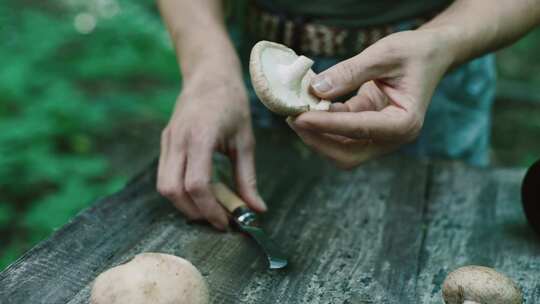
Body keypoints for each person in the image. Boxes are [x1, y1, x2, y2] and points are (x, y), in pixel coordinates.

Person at [155, 0, 540, 230]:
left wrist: (444, 43)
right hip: (247, 76)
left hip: (434, 70)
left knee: (436, 232)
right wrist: (207, 65)